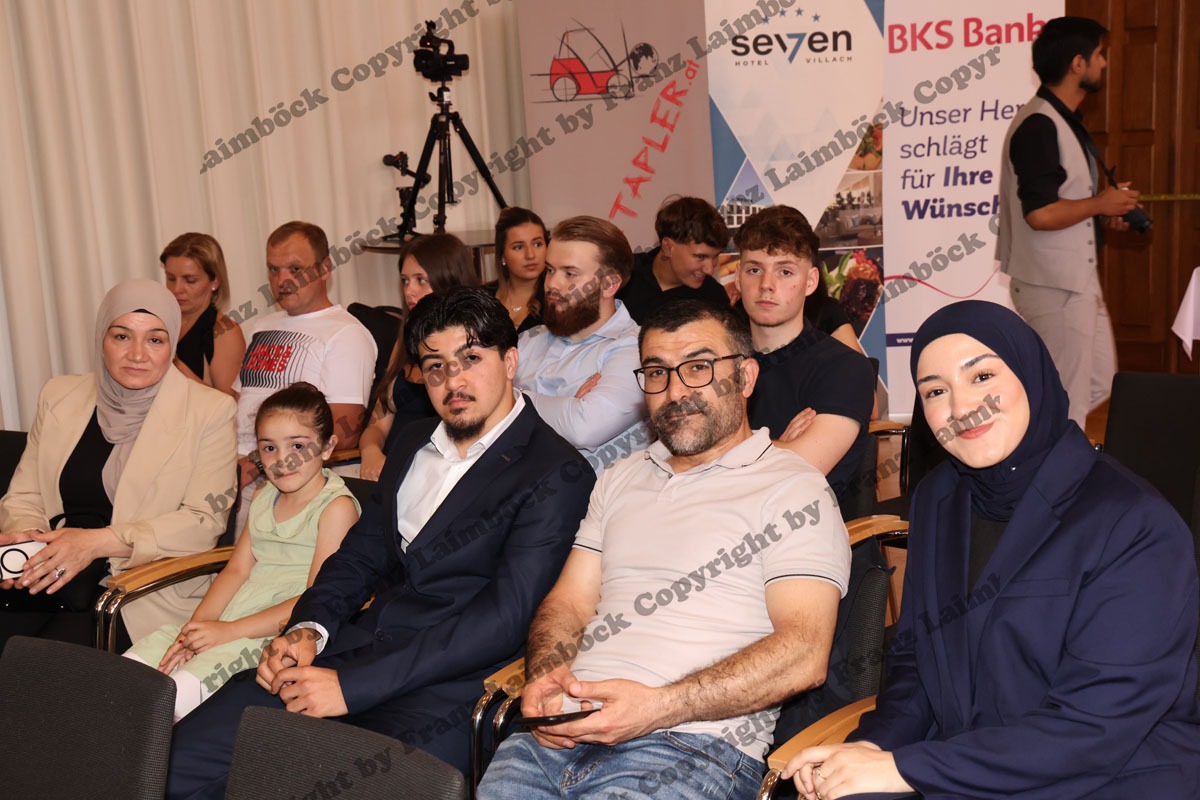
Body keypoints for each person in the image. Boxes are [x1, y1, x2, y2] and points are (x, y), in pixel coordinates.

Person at [166, 288, 595, 798]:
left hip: (442, 693)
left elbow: (503, 619)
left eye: (470, 359)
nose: (453, 381)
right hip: (348, 651)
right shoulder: (412, 441)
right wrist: (308, 629)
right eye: (435, 367)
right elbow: (358, 556)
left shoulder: (556, 471)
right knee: (173, 766)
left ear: (510, 362)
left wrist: (353, 688)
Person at [784, 300, 1200, 800]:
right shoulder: (939, 498)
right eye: (936, 391)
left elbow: (1095, 727)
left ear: (1030, 375)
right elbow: (916, 662)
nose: (962, 409)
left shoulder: (1134, 522)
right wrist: (873, 747)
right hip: (970, 766)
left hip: (1112, 777)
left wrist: (907, 769)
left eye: (981, 377)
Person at [479, 299, 851, 800]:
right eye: (657, 372)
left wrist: (657, 707)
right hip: (557, 737)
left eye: (698, 368)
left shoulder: (793, 489)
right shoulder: (620, 477)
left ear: (745, 377)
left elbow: (805, 654)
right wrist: (547, 673)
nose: (675, 391)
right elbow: (569, 602)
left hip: (690, 749)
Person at [0, 279, 236, 651]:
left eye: (155, 339)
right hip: (50, 572)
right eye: (122, 336)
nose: (137, 354)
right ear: (102, 339)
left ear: (172, 345)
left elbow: (203, 521)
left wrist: (94, 544)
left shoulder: (210, 412)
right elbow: (24, 496)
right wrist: (31, 545)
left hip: (134, 591)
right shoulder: (59, 395)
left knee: (31, 663)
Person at [125, 382, 359, 721]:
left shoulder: (335, 508)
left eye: (298, 445)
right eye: (269, 448)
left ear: (327, 447)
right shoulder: (264, 496)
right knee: (126, 680)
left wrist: (228, 632)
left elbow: (317, 598)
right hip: (231, 620)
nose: (283, 460)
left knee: (166, 704)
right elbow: (236, 570)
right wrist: (195, 629)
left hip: (271, 636)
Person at [997, 16, 1141, 428]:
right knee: (1066, 404)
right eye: (1100, 54)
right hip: (1053, 287)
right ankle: (1056, 469)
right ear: (1078, 63)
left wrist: (1103, 213)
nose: (1104, 63)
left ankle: (1064, 463)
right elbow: (1040, 213)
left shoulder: (1061, 120)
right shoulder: (1039, 124)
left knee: (1099, 386)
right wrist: (1099, 204)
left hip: (1075, 283)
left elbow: (1065, 205)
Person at [734, 206, 874, 512]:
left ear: (810, 282)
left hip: (803, 529)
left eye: (785, 272)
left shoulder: (845, 369)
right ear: (738, 278)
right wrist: (775, 447)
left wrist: (723, 444)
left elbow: (799, 471)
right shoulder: (719, 364)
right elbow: (682, 455)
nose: (766, 284)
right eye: (754, 270)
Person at [234, 221, 376, 490]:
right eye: (274, 269)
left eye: (295, 269)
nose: (282, 280)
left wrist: (258, 462)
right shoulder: (263, 326)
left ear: (324, 269)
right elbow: (236, 403)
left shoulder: (346, 334)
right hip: (232, 461)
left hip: (281, 473)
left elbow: (344, 430)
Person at [514, 216, 650, 475]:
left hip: (591, 497)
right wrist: (564, 406)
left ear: (609, 284)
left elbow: (583, 428)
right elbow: (478, 412)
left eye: (570, 274)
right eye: (550, 270)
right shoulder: (528, 339)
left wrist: (507, 398)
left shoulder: (638, 349)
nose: (552, 284)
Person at [359, 233, 480, 480]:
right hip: (390, 470)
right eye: (405, 281)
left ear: (448, 279)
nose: (409, 291)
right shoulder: (405, 338)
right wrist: (371, 452)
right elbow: (377, 424)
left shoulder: (473, 343)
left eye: (420, 280)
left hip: (438, 474)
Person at [617, 196, 731, 324]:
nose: (710, 270)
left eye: (715, 256)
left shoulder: (714, 298)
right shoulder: (621, 276)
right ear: (668, 247)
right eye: (700, 257)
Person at [160, 232, 247, 398]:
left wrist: (174, 363)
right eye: (171, 278)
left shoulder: (225, 332)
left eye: (190, 280)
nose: (177, 289)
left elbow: (229, 405)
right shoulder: (160, 322)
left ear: (215, 281)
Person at [487, 207, 548, 334]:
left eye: (537, 244)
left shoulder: (558, 300)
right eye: (518, 247)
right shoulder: (481, 298)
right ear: (502, 255)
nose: (530, 255)